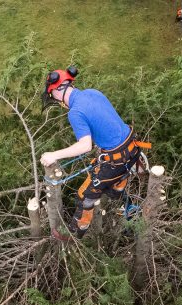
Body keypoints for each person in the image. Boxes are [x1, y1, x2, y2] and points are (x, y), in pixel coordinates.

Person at [40, 67, 146, 238]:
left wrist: (53, 155)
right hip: (132, 150)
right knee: (99, 172)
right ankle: (116, 190)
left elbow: (85, 146)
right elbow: (105, 120)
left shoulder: (75, 112)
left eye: (52, 95)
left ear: (58, 92)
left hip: (117, 160)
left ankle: (74, 233)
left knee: (84, 195)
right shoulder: (92, 92)